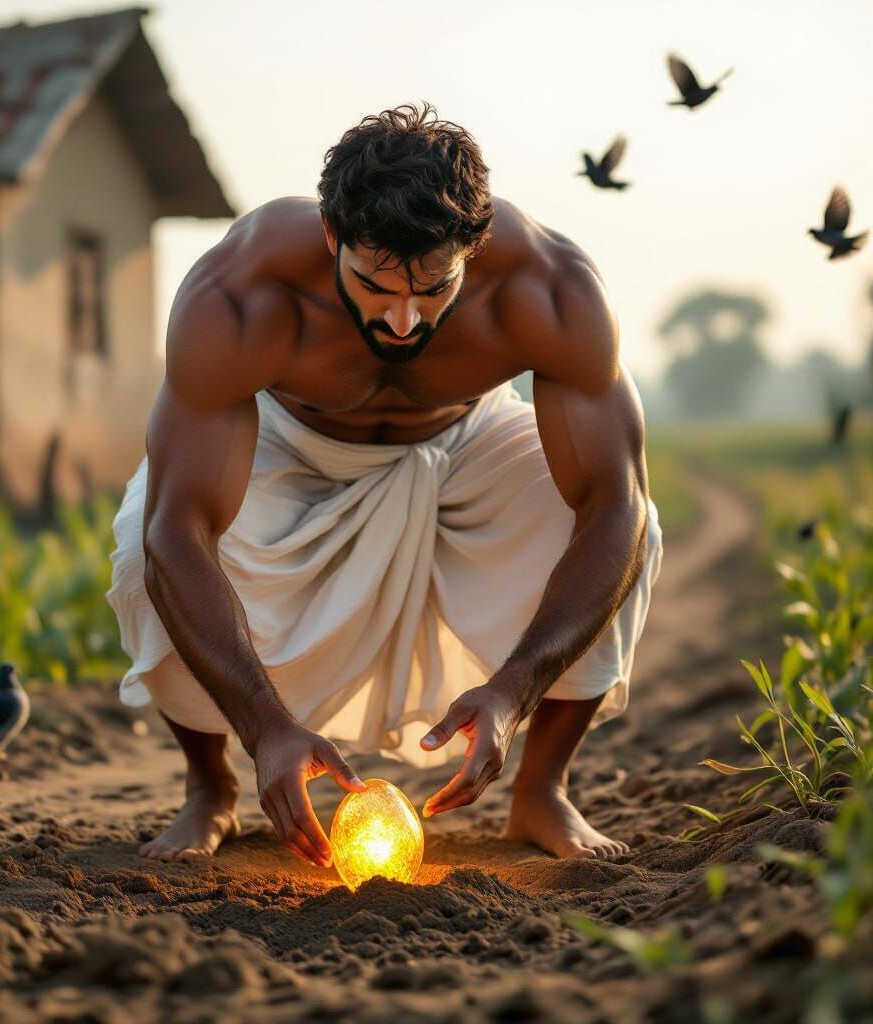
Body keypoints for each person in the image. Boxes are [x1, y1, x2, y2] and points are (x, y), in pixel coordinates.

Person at [106, 103, 663, 869]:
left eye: (435, 288)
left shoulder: (551, 291)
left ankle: (541, 792)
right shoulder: (240, 295)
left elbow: (614, 507)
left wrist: (512, 691)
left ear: (476, 245)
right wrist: (266, 725)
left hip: (464, 439)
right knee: (146, 547)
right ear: (333, 236)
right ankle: (212, 790)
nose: (404, 320)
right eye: (374, 284)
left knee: (638, 523)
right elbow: (179, 529)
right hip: (289, 440)